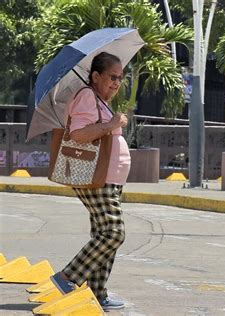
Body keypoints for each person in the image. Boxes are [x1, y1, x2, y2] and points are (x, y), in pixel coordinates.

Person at [49, 52, 130, 311]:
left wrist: (111, 120)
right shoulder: (86, 96)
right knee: (114, 232)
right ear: (95, 76)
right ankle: (67, 277)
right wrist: (112, 124)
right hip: (96, 178)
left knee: (102, 234)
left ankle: (97, 294)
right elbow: (78, 134)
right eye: (112, 77)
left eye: (120, 78)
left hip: (109, 179)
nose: (117, 83)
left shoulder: (99, 101)